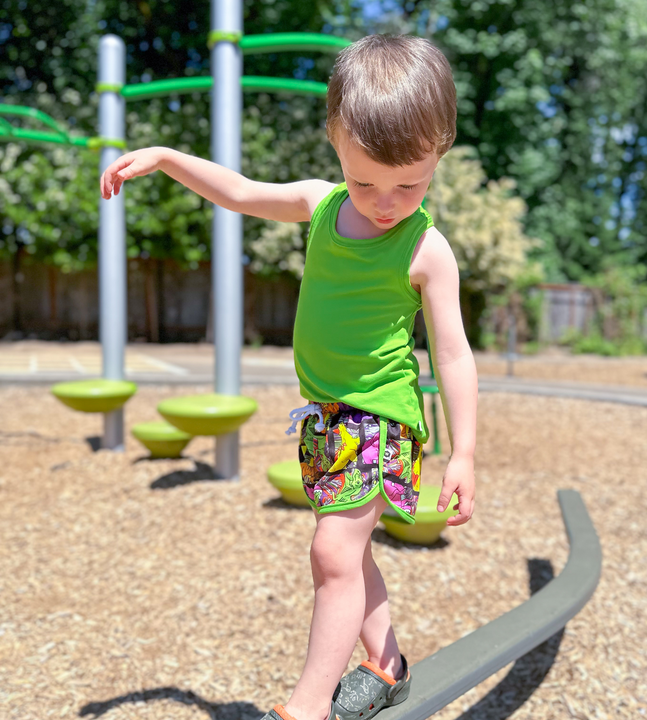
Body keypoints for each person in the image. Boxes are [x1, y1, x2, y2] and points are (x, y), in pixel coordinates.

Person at [101, 33, 477, 720]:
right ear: (335, 141)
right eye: (365, 181)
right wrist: (164, 157)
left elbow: (453, 354)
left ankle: (304, 708)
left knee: (333, 552)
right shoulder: (323, 206)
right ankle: (387, 663)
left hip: (383, 419)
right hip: (326, 419)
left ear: (441, 149)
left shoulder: (427, 249)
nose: (385, 201)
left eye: (410, 184)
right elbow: (241, 193)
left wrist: (464, 452)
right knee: (351, 556)